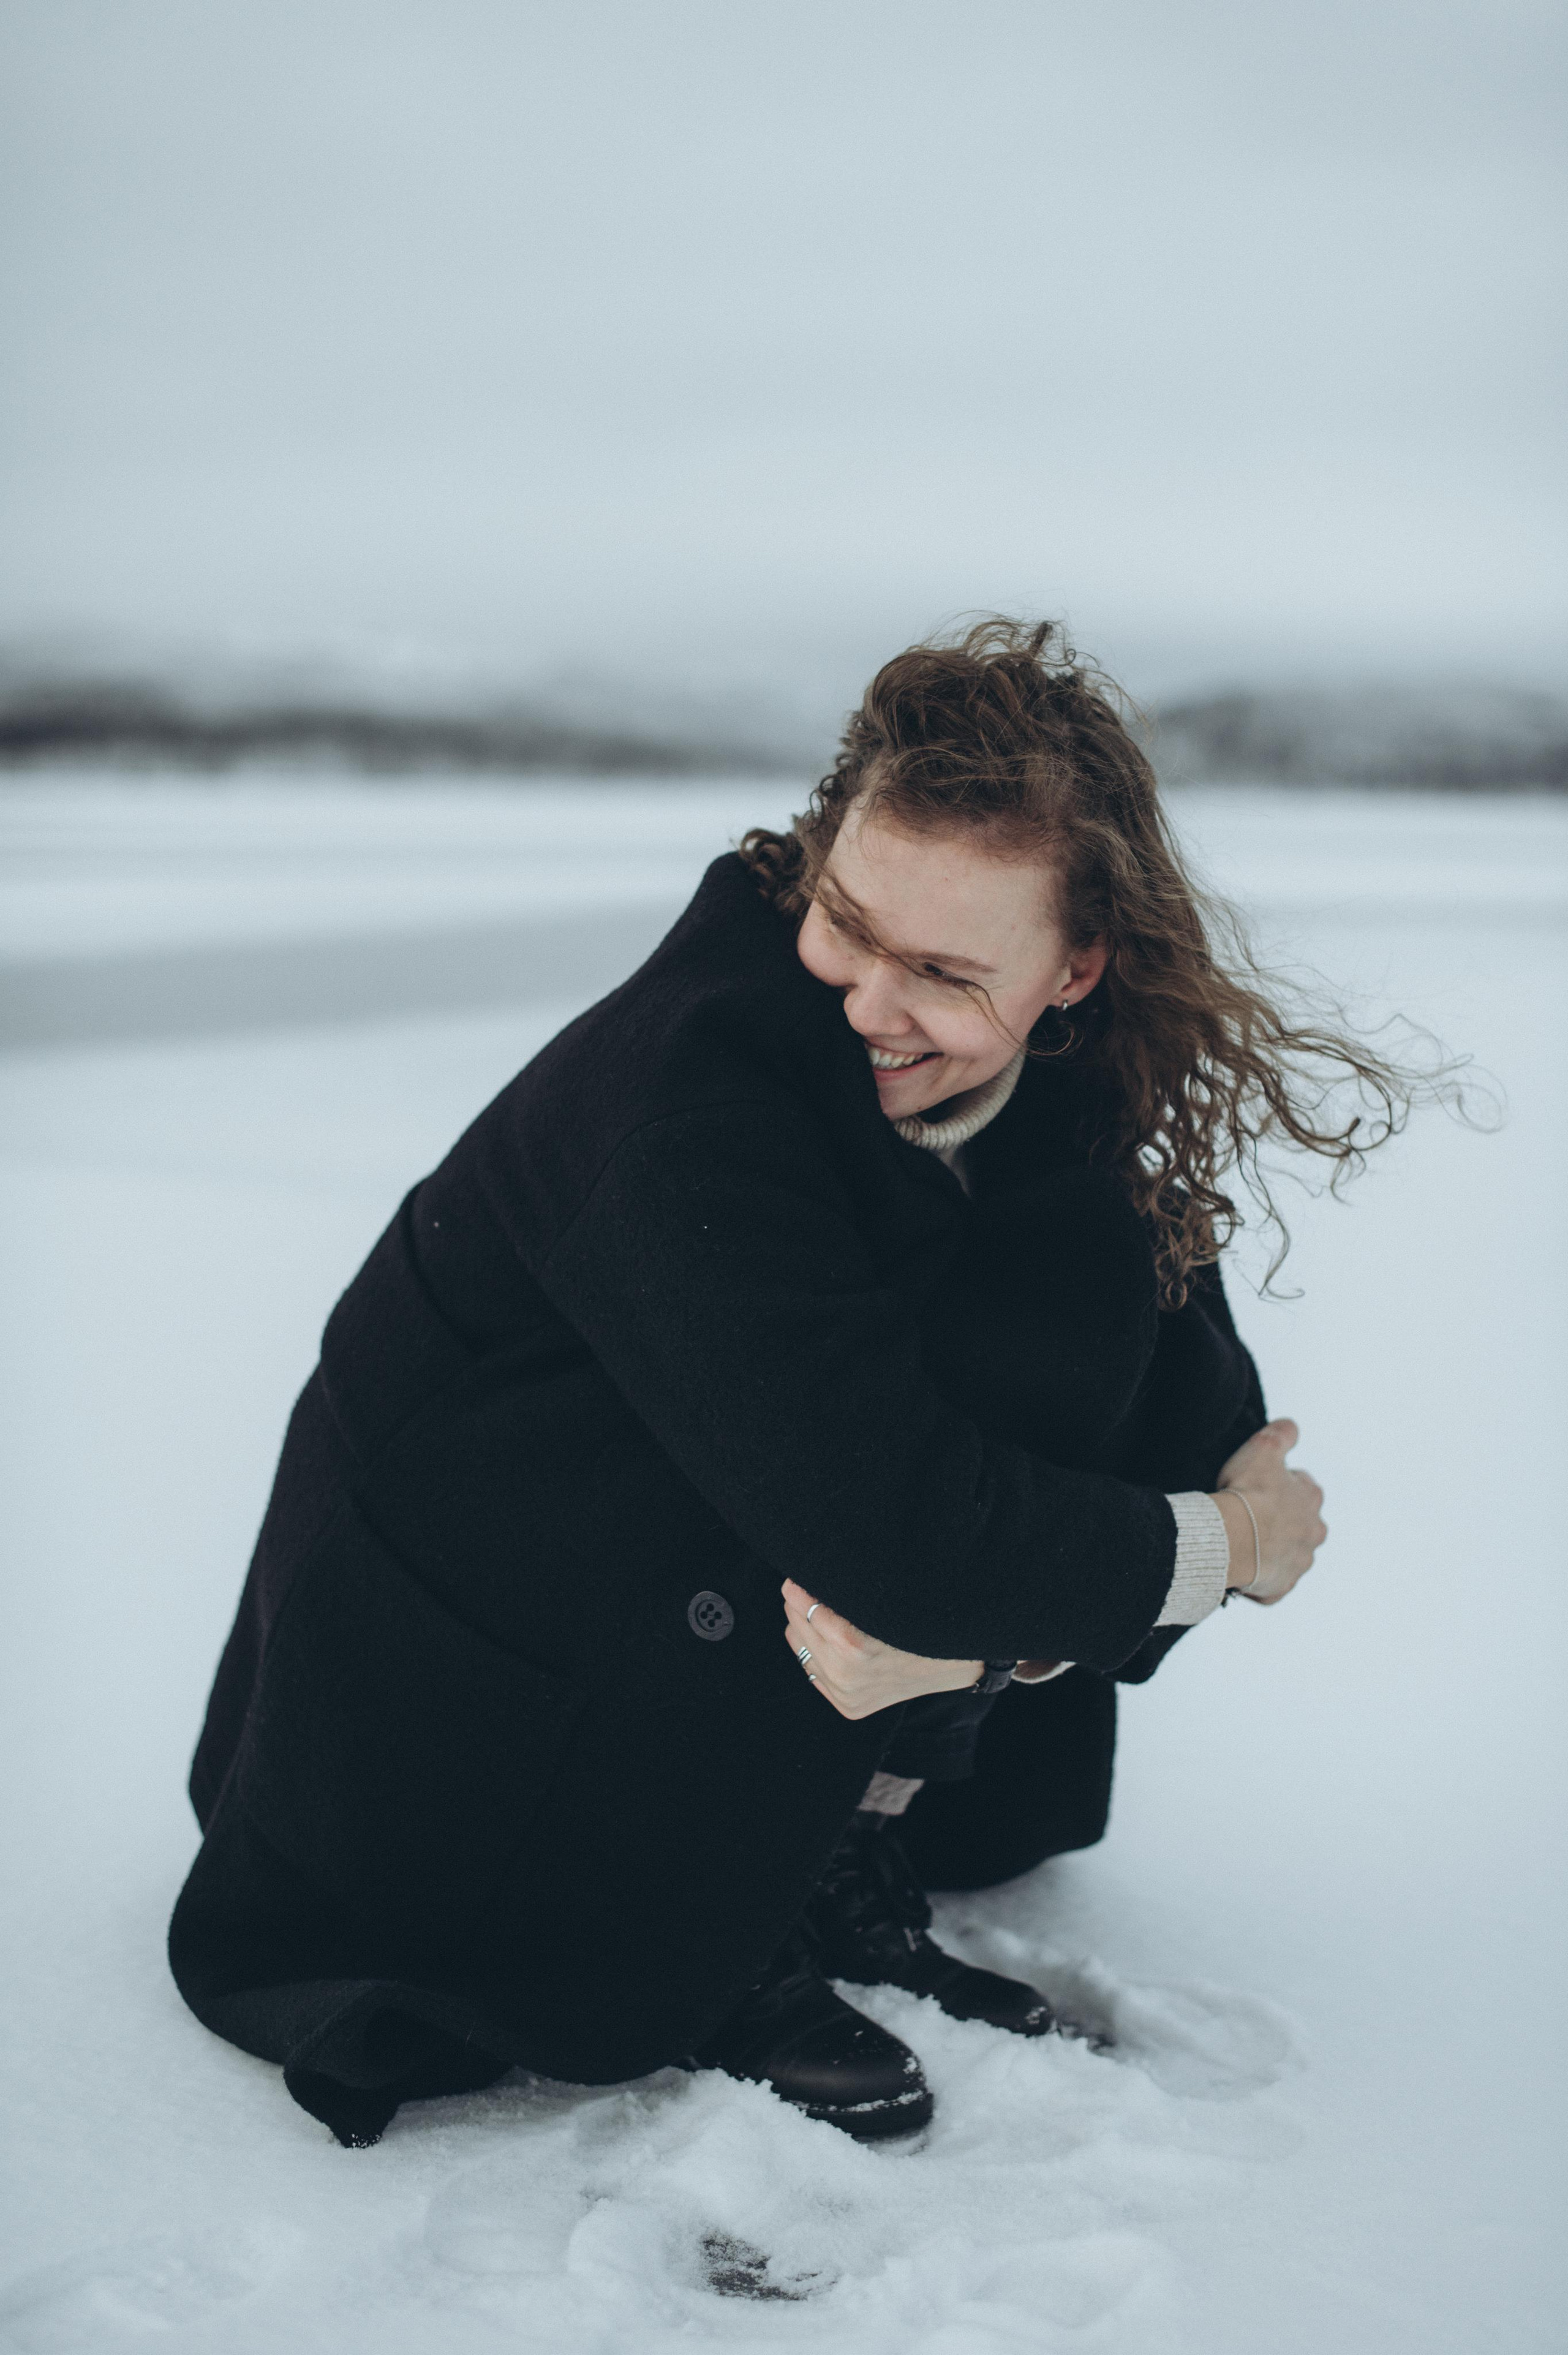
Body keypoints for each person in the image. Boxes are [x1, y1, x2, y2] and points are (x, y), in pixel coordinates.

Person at [171, 618, 1410, 2150]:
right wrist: (1219, 1552)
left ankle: (834, 1836)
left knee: (1041, 1320)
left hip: (680, 1570)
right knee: (874, 1501)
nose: (868, 1003)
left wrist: (1002, 1630)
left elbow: (1180, 1403)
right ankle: (707, 1928)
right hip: (458, 1665)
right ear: (813, 862)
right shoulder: (676, 1105)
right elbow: (893, 1521)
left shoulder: (1056, 1086)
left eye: (946, 971)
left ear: (1071, 969)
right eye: (846, 925)